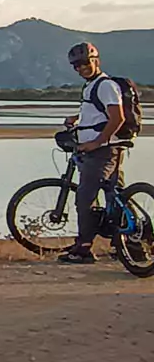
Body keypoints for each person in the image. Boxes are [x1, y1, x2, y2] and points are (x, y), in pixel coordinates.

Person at [59, 41, 129, 264]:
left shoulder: (105, 85)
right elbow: (97, 113)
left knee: (85, 198)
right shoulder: (92, 86)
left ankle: (84, 249)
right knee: (114, 196)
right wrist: (77, 119)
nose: (80, 68)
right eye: (76, 65)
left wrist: (97, 142)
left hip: (104, 151)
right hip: (104, 149)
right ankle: (127, 244)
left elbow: (118, 118)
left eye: (83, 63)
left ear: (95, 60)